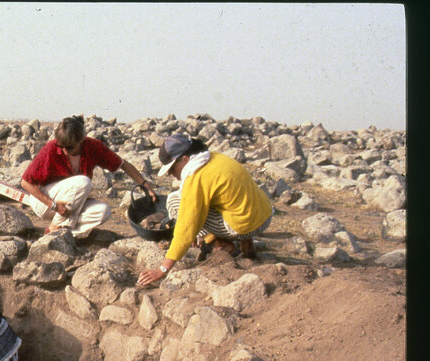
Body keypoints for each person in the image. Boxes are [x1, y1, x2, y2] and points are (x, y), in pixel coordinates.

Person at [137, 134, 274, 287]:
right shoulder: (214, 157)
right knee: (222, 200)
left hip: (244, 227)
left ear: (185, 159)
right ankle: (246, 244)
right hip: (264, 217)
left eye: (171, 168)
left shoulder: (197, 177)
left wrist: (162, 269)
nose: (170, 173)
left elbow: (186, 227)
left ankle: (221, 243)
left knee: (175, 200)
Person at [20, 115, 158, 239]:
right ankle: (55, 228)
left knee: (104, 211)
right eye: (62, 147)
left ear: (81, 140)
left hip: (69, 206)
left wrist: (146, 186)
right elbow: (25, 183)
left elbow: (123, 164)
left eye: (69, 148)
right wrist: (53, 205)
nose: (65, 151)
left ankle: (63, 233)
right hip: (46, 203)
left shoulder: (93, 147)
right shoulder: (51, 149)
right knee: (83, 182)